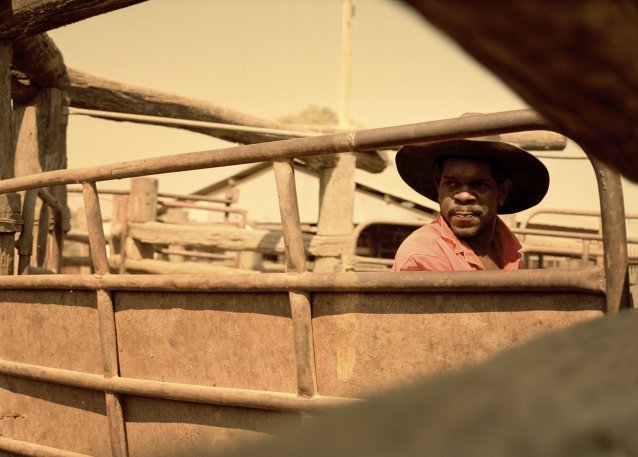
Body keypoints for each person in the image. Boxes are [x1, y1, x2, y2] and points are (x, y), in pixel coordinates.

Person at [392, 139, 549, 271]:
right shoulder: (424, 254)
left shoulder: (507, 252)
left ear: (502, 191)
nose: (464, 196)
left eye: (479, 184)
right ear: (438, 188)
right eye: (451, 184)